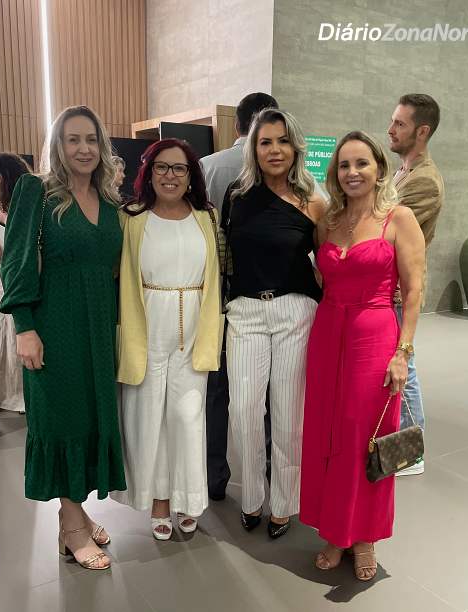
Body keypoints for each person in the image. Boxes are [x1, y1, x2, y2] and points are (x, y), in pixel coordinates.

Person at [0, 105, 125, 570]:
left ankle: (76, 512)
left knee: (90, 417)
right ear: (58, 145)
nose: (84, 148)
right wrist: (24, 326)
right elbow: (15, 260)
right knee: (62, 420)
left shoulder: (109, 200)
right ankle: (71, 528)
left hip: (98, 327)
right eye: (73, 139)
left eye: (91, 139)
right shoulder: (36, 190)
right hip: (53, 326)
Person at [299, 131, 424, 580]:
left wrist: (402, 353)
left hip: (374, 334)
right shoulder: (328, 221)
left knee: (364, 434)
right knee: (328, 433)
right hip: (328, 332)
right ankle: (335, 531)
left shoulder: (399, 218)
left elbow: (415, 291)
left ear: (378, 169)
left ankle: (365, 534)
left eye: (361, 163)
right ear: (335, 174)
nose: (352, 172)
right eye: (344, 165)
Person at [111, 138, 223, 540]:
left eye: (179, 168)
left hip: (194, 328)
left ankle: (188, 498)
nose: (170, 175)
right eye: (162, 167)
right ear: (149, 172)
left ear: (191, 175)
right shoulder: (131, 217)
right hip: (145, 327)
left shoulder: (206, 217)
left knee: (187, 418)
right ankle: (159, 500)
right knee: (148, 418)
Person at [222, 108, 324, 538]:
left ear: (295, 146)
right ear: (254, 148)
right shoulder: (237, 195)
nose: (275, 149)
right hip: (245, 312)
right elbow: (226, 255)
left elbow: (328, 263)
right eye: (265, 142)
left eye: (283, 141)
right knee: (244, 410)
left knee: (287, 415)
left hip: (294, 312)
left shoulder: (313, 200)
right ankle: (251, 498)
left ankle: (283, 503)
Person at [200, 92, 278, 501]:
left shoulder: (206, 166)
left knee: (217, 390)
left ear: (237, 124)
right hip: (263, 293)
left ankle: (214, 478)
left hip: (213, 293)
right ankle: (268, 475)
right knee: (266, 390)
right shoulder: (281, 171)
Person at [387, 93, 444, 476]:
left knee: (403, 364)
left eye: (400, 124)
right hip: (389, 285)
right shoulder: (404, 172)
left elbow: (384, 223)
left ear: (422, 131)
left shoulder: (425, 182)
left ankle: (410, 454)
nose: (391, 129)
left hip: (399, 288)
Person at [0, 153, 31, 413]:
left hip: (12, 277)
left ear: (2, 177)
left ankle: (19, 395)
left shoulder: (22, 207)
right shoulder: (3, 203)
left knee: (14, 335)